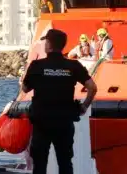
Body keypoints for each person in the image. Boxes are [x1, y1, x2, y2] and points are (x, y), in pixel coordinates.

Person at [21, 29, 98, 174]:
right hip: (64, 121)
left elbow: (25, 89)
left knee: (39, 164)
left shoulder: (37, 66)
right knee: (65, 162)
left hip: (41, 121)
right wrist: (84, 106)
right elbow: (92, 87)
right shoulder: (73, 66)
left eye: (46, 41)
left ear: (49, 45)